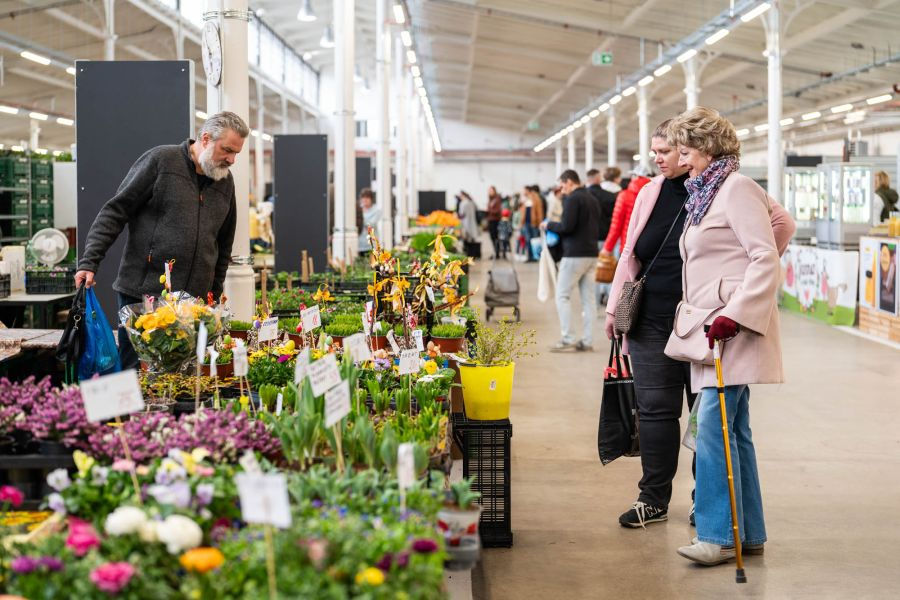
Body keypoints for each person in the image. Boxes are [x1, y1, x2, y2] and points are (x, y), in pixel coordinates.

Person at [604, 119, 795, 530]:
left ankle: (704, 503)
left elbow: (778, 230)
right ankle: (653, 498)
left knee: (706, 420)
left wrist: (738, 291)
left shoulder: (728, 188)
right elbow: (630, 254)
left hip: (705, 322)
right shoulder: (657, 192)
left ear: (692, 148)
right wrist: (614, 310)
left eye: (668, 151)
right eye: (655, 151)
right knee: (655, 411)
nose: (660, 158)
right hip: (653, 318)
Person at [663, 107, 786, 566]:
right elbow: (782, 226)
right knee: (734, 432)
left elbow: (764, 255)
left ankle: (715, 536)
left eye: (688, 150)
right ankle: (748, 533)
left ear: (710, 148)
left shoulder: (735, 188)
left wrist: (736, 309)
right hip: (708, 327)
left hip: (727, 331)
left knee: (713, 432)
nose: (683, 158)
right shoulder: (707, 192)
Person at [76, 111, 249, 370]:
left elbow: (223, 243)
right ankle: (130, 413)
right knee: (135, 372)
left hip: (193, 302)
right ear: (205, 138)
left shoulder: (225, 182)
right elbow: (116, 211)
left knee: (184, 376)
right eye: (227, 150)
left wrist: (214, 291)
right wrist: (89, 262)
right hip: (145, 295)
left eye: (237, 153)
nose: (232, 159)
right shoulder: (161, 162)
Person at [542, 170, 601, 352]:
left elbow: (567, 227)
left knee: (562, 296)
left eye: (561, 185)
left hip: (574, 254)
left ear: (569, 182)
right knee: (588, 300)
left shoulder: (573, 199)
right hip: (591, 254)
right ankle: (588, 340)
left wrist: (548, 224)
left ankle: (568, 338)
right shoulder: (592, 199)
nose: (561, 190)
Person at [601, 167, 651, 257]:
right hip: (652, 247)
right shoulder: (657, 194)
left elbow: (616, 226)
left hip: (628, 246)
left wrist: (607, 248)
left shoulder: (624, 195)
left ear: (635, 177)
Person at [587, 169, 618, 305]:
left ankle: (594, 298)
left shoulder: (583, 196)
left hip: (589, 239)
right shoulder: (611, 196)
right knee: (608, 268)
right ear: (598, 179)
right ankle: (609, 298)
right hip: (607, 237)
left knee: (593, 271)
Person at [520, 185, 545, 262]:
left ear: (528, 190)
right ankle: (529, 257)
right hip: (526, 223)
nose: (523, 192)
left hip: (534, 223)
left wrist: (540, 222)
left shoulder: (536, 198)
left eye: (524, 190)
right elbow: (522, 211)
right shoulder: (525, 199)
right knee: (527, 240)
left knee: (535, 240)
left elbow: (540, 211)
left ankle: (536, 256)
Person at [357, 188, 381, 256]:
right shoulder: (358, 209)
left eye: (367, 198)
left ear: (371, 199)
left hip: (371, 244)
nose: (365, 200)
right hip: (359, 244)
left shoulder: (376, 210)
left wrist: (360, 217)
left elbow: (371, 224)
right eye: (363, 197)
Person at [486, 185, 503, 258]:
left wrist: (489, 210)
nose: (489, 192)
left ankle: (497, 253)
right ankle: (496, 252)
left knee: (495, 237)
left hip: (495, 221)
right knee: (492, 237)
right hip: (491, 220)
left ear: (494, 191)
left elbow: (498, 210)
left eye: (491, 190)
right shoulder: (491, 199)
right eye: (489, 191)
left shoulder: (497, 199)